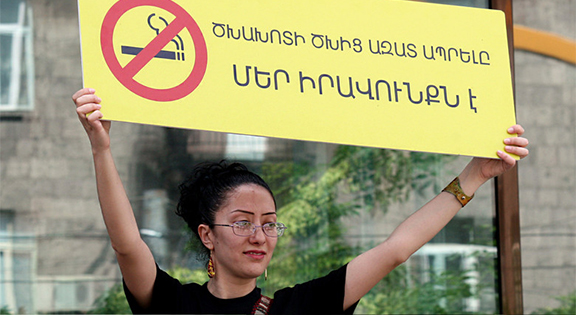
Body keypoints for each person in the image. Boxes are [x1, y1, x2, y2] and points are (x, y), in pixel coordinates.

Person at [72, 88, 529, 314]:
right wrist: (102, 149)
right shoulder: (172, 304)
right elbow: (128, 243)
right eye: (243, 222)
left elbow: (395, 250)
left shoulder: (298, 308)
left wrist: (475, 173)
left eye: (270, 222)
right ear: (206, 234)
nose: (260, 235)